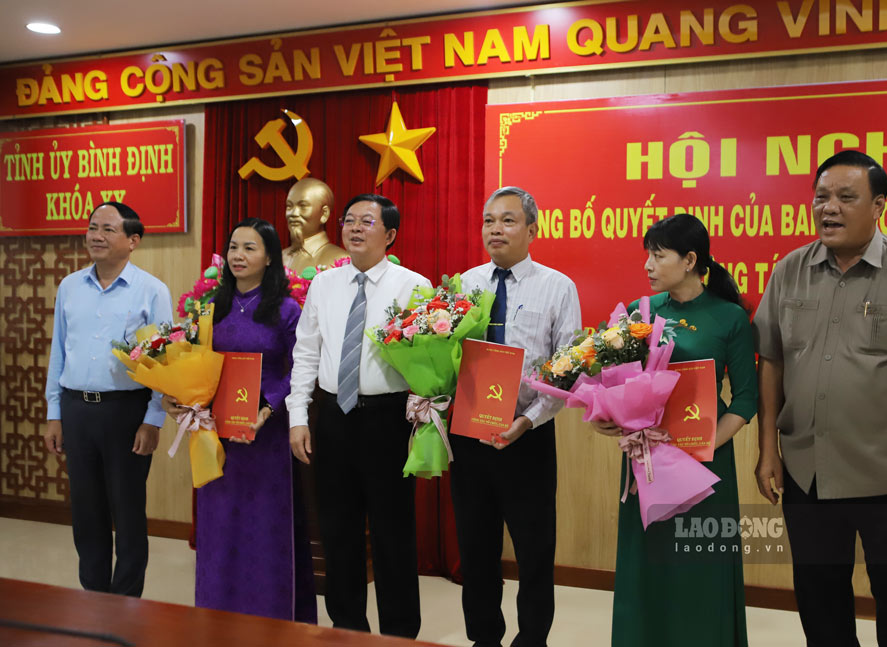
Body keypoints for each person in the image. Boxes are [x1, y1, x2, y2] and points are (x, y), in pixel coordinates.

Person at [753, 150, 887, 647]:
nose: (829, 208)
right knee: (820, 604)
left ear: (879, 206)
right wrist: (768, 450)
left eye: (846, 197)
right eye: (821, 197)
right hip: (808, 476)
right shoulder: (789, 271)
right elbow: (773, 363)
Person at [591, 212, 757, 646]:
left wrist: (702, 446)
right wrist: (610, 418)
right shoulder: (638, 313)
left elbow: (745, 400)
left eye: (657, 255)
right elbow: (619, 383)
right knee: (649, 562)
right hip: (646, 460)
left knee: (699, 566)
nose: (647, 264)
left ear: (689, 260)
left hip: (704, 465)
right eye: (647, 254)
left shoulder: (730, 319)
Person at [287, 194, 430, 638]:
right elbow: (306, 351)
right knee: (337, 532)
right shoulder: (324, 285)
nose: (354, 228)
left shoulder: (414, 287)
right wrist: (298, 416)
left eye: (367, 221)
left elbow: (431, 360)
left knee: (393, 536)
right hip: (332, 415)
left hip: (387, 419)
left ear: (389, 234)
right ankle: (346, 628)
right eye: (349, 220)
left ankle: (400, 633)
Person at [162, 218, 316, 622]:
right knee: (221, 525)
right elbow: (192, 362)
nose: (238, 256)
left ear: (269, 258)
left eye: (249, 248)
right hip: (217, 434)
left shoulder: (286, 309)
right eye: (233, 247)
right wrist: (177, 396)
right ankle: (218, 612)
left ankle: (273, 616)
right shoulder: (212, 307)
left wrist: (269, 406)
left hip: (265, 433)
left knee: (265, 527)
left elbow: (299, 368)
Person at [455, 186, 581, 647]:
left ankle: (532, 639)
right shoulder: (463, 285)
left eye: (507, 221)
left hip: (526, 434)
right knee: (475, 548)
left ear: (532, 229)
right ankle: (483, 637)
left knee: (534, 550)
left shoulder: (557, 286)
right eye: (488, 220)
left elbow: (568, 371)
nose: (495, 229)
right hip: (470, 436)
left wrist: (527, 419)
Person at [43, 202, 172, 597]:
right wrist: (54, 412)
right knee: (87, 513)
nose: (96, 235)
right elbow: (59, 352)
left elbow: (166, 360)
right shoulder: (69, 286)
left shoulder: (152, 290)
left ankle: (127, 605)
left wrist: (153, 420)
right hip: (76, 408)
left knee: (128, 513)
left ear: (133, 241)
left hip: (126, 413)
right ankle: (93, 598)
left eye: (108, 229)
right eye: (92, 227)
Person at [282, 177, 349, 272]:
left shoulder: (340, 261)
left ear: (324, 213)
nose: (293, 213)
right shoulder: (279, 258)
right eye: (289, 206)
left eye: (303, 206)